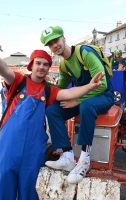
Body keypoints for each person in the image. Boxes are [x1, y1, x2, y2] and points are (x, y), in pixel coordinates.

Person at [0, 32, 105, 199]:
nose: (42, 67)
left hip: (33, 149)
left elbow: (70, 92)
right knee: (4, 190)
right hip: (9, 146)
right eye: (38, 63)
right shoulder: (18, 81)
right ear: (31, 65)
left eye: (45, 64)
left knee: (30, 192)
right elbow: (3, 69)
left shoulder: (49, 90)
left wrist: (89, 87)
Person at [40, 26, 114, 184]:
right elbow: (60, 89)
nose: (54, 45)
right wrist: (42, 88)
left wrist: (77, 100)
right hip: (84, 97)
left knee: (86, 105)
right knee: (52, 110)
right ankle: (67, 156)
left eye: (56, 40)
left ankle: (84, 160)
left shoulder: (84, 53)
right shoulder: (63, 65)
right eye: (50, 44)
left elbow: (101, 85)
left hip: (104, 95)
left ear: (64, 38)